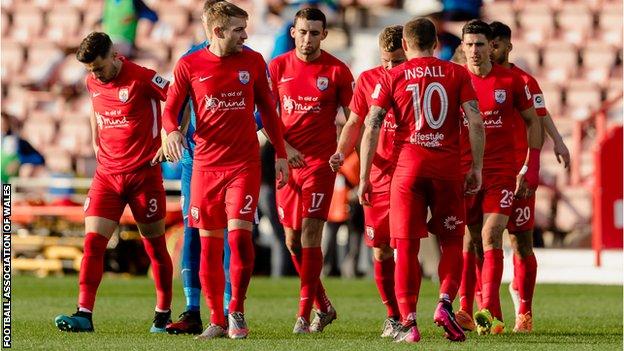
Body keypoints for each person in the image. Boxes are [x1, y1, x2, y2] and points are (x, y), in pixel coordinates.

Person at [163, 1, 288, 340]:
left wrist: (280, 152)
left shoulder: (253, 61)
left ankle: (237, 311)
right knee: (209, 245)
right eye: (238, 30)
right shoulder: (189, 64)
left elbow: (269, 109)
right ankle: (216, 320)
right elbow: (170, 110)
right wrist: (172, 131)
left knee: (239, 236)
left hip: (243, 164)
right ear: (217, 31)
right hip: (205, 166)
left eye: (245, 29)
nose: (245, 36)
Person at [358, 17, 485, 343]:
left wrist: (363, 176)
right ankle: (444, 302)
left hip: (407, 170)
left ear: (404, 46)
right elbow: (475, 120)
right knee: (453, 241)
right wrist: (477, 168)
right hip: (446, 168)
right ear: (437, 44)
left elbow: (372, 125)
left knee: (406, 247)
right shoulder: (457, 73)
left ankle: (409, 323)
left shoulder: (392, 75)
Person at [54, 32, 173, 333]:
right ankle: (84, 313)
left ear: (115, 56)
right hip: (107, 174)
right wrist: (95, 141)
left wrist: (172, 134)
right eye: (90, 70)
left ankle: (162, 312)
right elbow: (95, 108)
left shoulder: (143, 78)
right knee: (93, 244)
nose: (96, 74)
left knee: (155, 247)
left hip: (143, 175)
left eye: (99, 67)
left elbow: (175, 98)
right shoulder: (92, 81)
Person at [457, 20, 570, 334]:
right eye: (474, 45)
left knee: (517, 240)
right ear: (464, 47)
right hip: (468, 174)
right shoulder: (457, 79)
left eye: (487, 44)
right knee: (473, 240)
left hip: (510, 174)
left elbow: (538, 118)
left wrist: (533, 165)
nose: (483, 50)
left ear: (502, 45)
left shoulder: (518, 80)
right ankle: (479, 310)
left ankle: (523, 312)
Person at [268, 7, 353, 334]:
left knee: (310, 236)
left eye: (314, 33)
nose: (307, 39)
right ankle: (324, 306)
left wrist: (341, 151)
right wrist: (284, 149)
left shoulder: (336, 71)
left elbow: (353, 117)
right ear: (293, 32)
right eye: (302, 32)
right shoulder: (277, 67)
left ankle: (303, 316)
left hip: (319, 163)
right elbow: (264, 115)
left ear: (324, 35)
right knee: (291, 241)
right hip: (286, 162)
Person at [328, 25, 406, 338]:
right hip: (378, 175)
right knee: (381, 250)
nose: (390, 68)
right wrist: (340, 151)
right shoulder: (369, 80)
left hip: (414, 173)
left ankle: (418, 312)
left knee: (408, 247)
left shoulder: (419, 79)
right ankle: (393, 314)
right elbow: (354, 122)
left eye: (397, 61)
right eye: (386, 61)